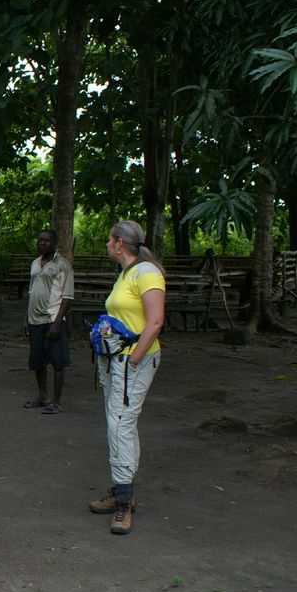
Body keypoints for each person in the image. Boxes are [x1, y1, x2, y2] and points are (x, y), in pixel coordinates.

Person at [90, 220, 166, 535]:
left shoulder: (147, 273)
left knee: (119, 424)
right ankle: (124, 490)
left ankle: (124, 503)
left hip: (132, 361)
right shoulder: (127, 273)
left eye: (109, 239)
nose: (106, 243)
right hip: (115, 359)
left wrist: (134, 358)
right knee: (122, 423)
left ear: (119, 242)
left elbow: (156, 320)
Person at [21, 229, 73, 414]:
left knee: (58, 362)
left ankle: (56, 401)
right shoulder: (35, 263)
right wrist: (27, 318)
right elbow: (31, 292)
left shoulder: (62, 265)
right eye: (40, 240)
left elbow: (67, 297)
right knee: (38, 361)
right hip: (35, 320)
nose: (42, 243)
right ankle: (42, 396)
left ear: (54, 243)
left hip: (52, 319)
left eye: (47, 240)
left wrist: (57, 322)